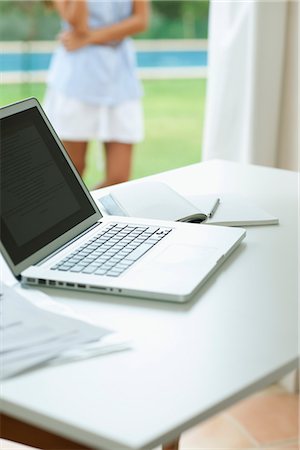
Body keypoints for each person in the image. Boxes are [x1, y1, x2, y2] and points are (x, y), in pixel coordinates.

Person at [44, 0, 149, 188]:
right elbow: (79, 25)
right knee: (72, 170)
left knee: (119, 179)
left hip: (121, 80)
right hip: (76, 81)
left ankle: (91, 214)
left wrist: (89, 38)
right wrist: (90, 35)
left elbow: (141, 21)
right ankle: (75, 216)